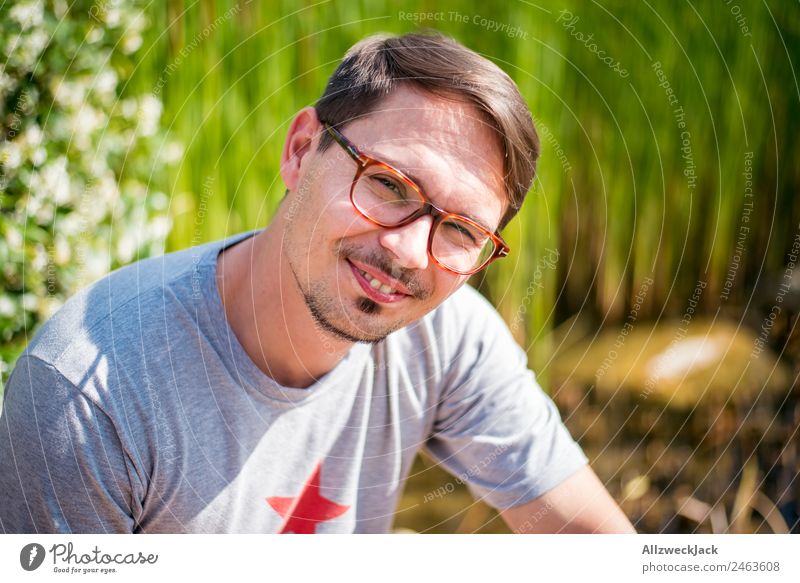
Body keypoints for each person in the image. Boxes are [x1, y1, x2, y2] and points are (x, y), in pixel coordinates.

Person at [0, 32, 634, 534]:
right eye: (388, 184)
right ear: (301, 150)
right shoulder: (91, 397)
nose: (409, 251)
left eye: (462, 230)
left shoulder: (449, 338)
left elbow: (592, 541)